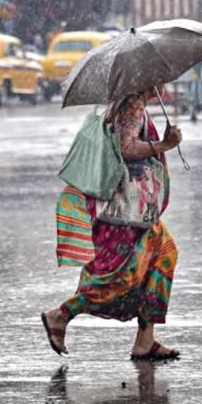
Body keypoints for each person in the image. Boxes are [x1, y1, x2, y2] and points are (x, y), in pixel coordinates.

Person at [42, 87, 183, 360]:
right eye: (161, 77)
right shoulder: (132, 105)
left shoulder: (128, 104)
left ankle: (146, 339)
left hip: (137, 212)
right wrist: (164, 145)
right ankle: (60, 314)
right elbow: (125, 148)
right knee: (121, 277)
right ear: (146, 77)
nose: (165, 82)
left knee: (162, 256)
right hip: (125, 212)